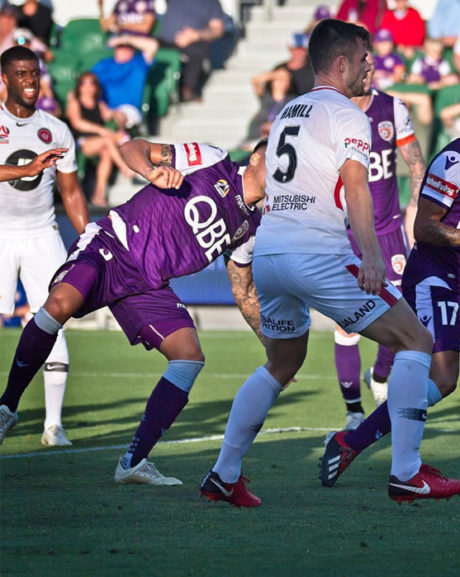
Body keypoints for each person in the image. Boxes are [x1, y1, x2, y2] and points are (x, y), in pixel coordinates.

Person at [201, 20, 460, 507]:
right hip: (317, 251)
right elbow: (356, 185)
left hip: (272, 254)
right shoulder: (348, 113)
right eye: (365, 57)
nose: (372, 65)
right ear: (342, 63)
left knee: (282, 362)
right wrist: (370, 254)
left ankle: (224, 473)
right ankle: (407, 473)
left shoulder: (288, 110)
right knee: (417, 341)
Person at [0, 133, 268, 479]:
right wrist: (150, 170)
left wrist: (271, 345)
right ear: (259, 158)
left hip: (149, 284)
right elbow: (131, 147)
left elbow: (243, 291)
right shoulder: (213, 159)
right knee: (61, 303)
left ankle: (133, 462)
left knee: (188, 357)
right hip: (114, 244)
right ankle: (7, 405)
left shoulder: (251, 229)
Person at [320, 83, 460, 489]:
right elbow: (424, 229)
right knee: (443, 379)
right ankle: (351, 440)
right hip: (435, 281)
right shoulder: (456, 160)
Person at [0, 46, 88, 448]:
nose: (30, 80)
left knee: (52, 320)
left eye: (34, 73)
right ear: (5, 79)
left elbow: (70, 192)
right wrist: (26, 168)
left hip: (42, 233)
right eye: (20, 73)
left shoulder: (57, 129)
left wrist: (88, 237)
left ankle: (53, 426)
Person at [332, 83, 428, 431]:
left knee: (402, 311)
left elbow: (416, 163)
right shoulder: (332, 110)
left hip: (388, 230)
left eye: (369, 58)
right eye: (362, 58)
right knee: (348, 322)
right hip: (346, 233)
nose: (367, 66)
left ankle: (381, 375)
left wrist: (415, 205)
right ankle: (354, 411)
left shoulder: (392, 108)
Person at [65, 71, 135, 206]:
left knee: (107, 153)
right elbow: (76, 123)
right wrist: (102, 130)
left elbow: (112, 115)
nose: (88, 87)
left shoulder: (99, 104)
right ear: (79, 86)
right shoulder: (74, 102)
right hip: (81, 141)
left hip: (100, 143)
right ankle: (125, 169)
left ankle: (98, 195)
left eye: (91, 83)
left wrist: (116, 116)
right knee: (108, 141)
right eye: (85, 83)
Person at [155, 0, 226, 102]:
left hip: (193, 42)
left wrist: (195, 35)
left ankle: (188, 88)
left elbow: (217, 30)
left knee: (200, 50)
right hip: (164, 42)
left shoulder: (212, 2)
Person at [91, 34, 159, 133]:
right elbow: (89, 84)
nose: (124, 50)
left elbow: (153, 45)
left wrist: (126, 39)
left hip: (129, 109)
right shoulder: (104, 64)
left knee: (119, 115)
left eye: (127, 47)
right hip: (103, 106)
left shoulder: (138, 63)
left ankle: (121, 137)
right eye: (120, 47)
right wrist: (101, 106)